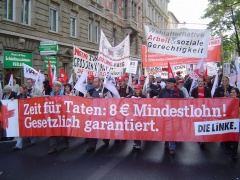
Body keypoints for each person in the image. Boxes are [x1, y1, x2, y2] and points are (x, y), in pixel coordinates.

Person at [157, 78, 184, 155]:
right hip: (165, 113)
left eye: (168, 83)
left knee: (172, 129)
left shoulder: (179, 92)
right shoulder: (163, 91)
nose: (167, 84)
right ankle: (167, 140)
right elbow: (158, 101)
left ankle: (172, 147)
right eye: (166, 83)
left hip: (174, 115)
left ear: (173, 84)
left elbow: (183, 103)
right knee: (166, 129)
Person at [86, 77, 112, 152]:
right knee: (93, 129)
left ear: (100, 82)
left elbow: (111, 100)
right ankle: (92, 146)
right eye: (93, 82)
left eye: (96, 82)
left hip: (103, 113)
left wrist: (104, 97)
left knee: (103, 128)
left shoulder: (105, 91)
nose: (94, 83)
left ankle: (106, 140)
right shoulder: (90, 91)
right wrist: (87, 98)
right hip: (93, 113)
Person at [48, 81, 69, 154]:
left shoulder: (64, 94)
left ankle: (66, 141)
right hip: (53, 115)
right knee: (52, 131)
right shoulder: (51, 94)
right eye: (53, 86)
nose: (54, 87)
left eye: (56, 86)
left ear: (60, 87)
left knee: (63, 130)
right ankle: (53, 147)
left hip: (62, 115)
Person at [13, 84, 36, 150]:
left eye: (21, 88)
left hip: (28, 114)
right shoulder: (18, 96)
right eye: (19, 88)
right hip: (20, 114)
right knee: (19, 129)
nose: (19, 90)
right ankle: (18, 145)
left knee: (30, 127)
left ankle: (33, 140)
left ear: (24, 89)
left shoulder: (28, 96)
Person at [191, 77, 211, 148]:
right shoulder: (194, 90)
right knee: (198, 123)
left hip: (205, 109)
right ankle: (199, 137)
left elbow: (210, 100)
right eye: (198, 81)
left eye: (201, 81)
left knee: (204, 124)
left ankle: (203, 138)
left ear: (203, 82)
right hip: (197, 110)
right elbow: (191, 99)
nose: (199, 82)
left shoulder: (207, 90)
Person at [127, 84, 146, 149]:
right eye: (135, 89)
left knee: (138, 129)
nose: (136, 90)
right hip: (133, 115)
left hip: (141, 115)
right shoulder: (132, 96)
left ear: (140, 89)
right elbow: (125, 99)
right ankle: (136, 142)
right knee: (134, 130)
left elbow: (147, 104)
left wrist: (141, 100)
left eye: (138, 89)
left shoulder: (143, 96)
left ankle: (138, 143)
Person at [228, 87, 239, 161]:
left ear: (237, 94)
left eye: (234, 92)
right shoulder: (227, 100)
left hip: (237, 122)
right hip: (228, 121)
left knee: (235, 137)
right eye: (231, 92)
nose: (232, 94)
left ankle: (234, 153)